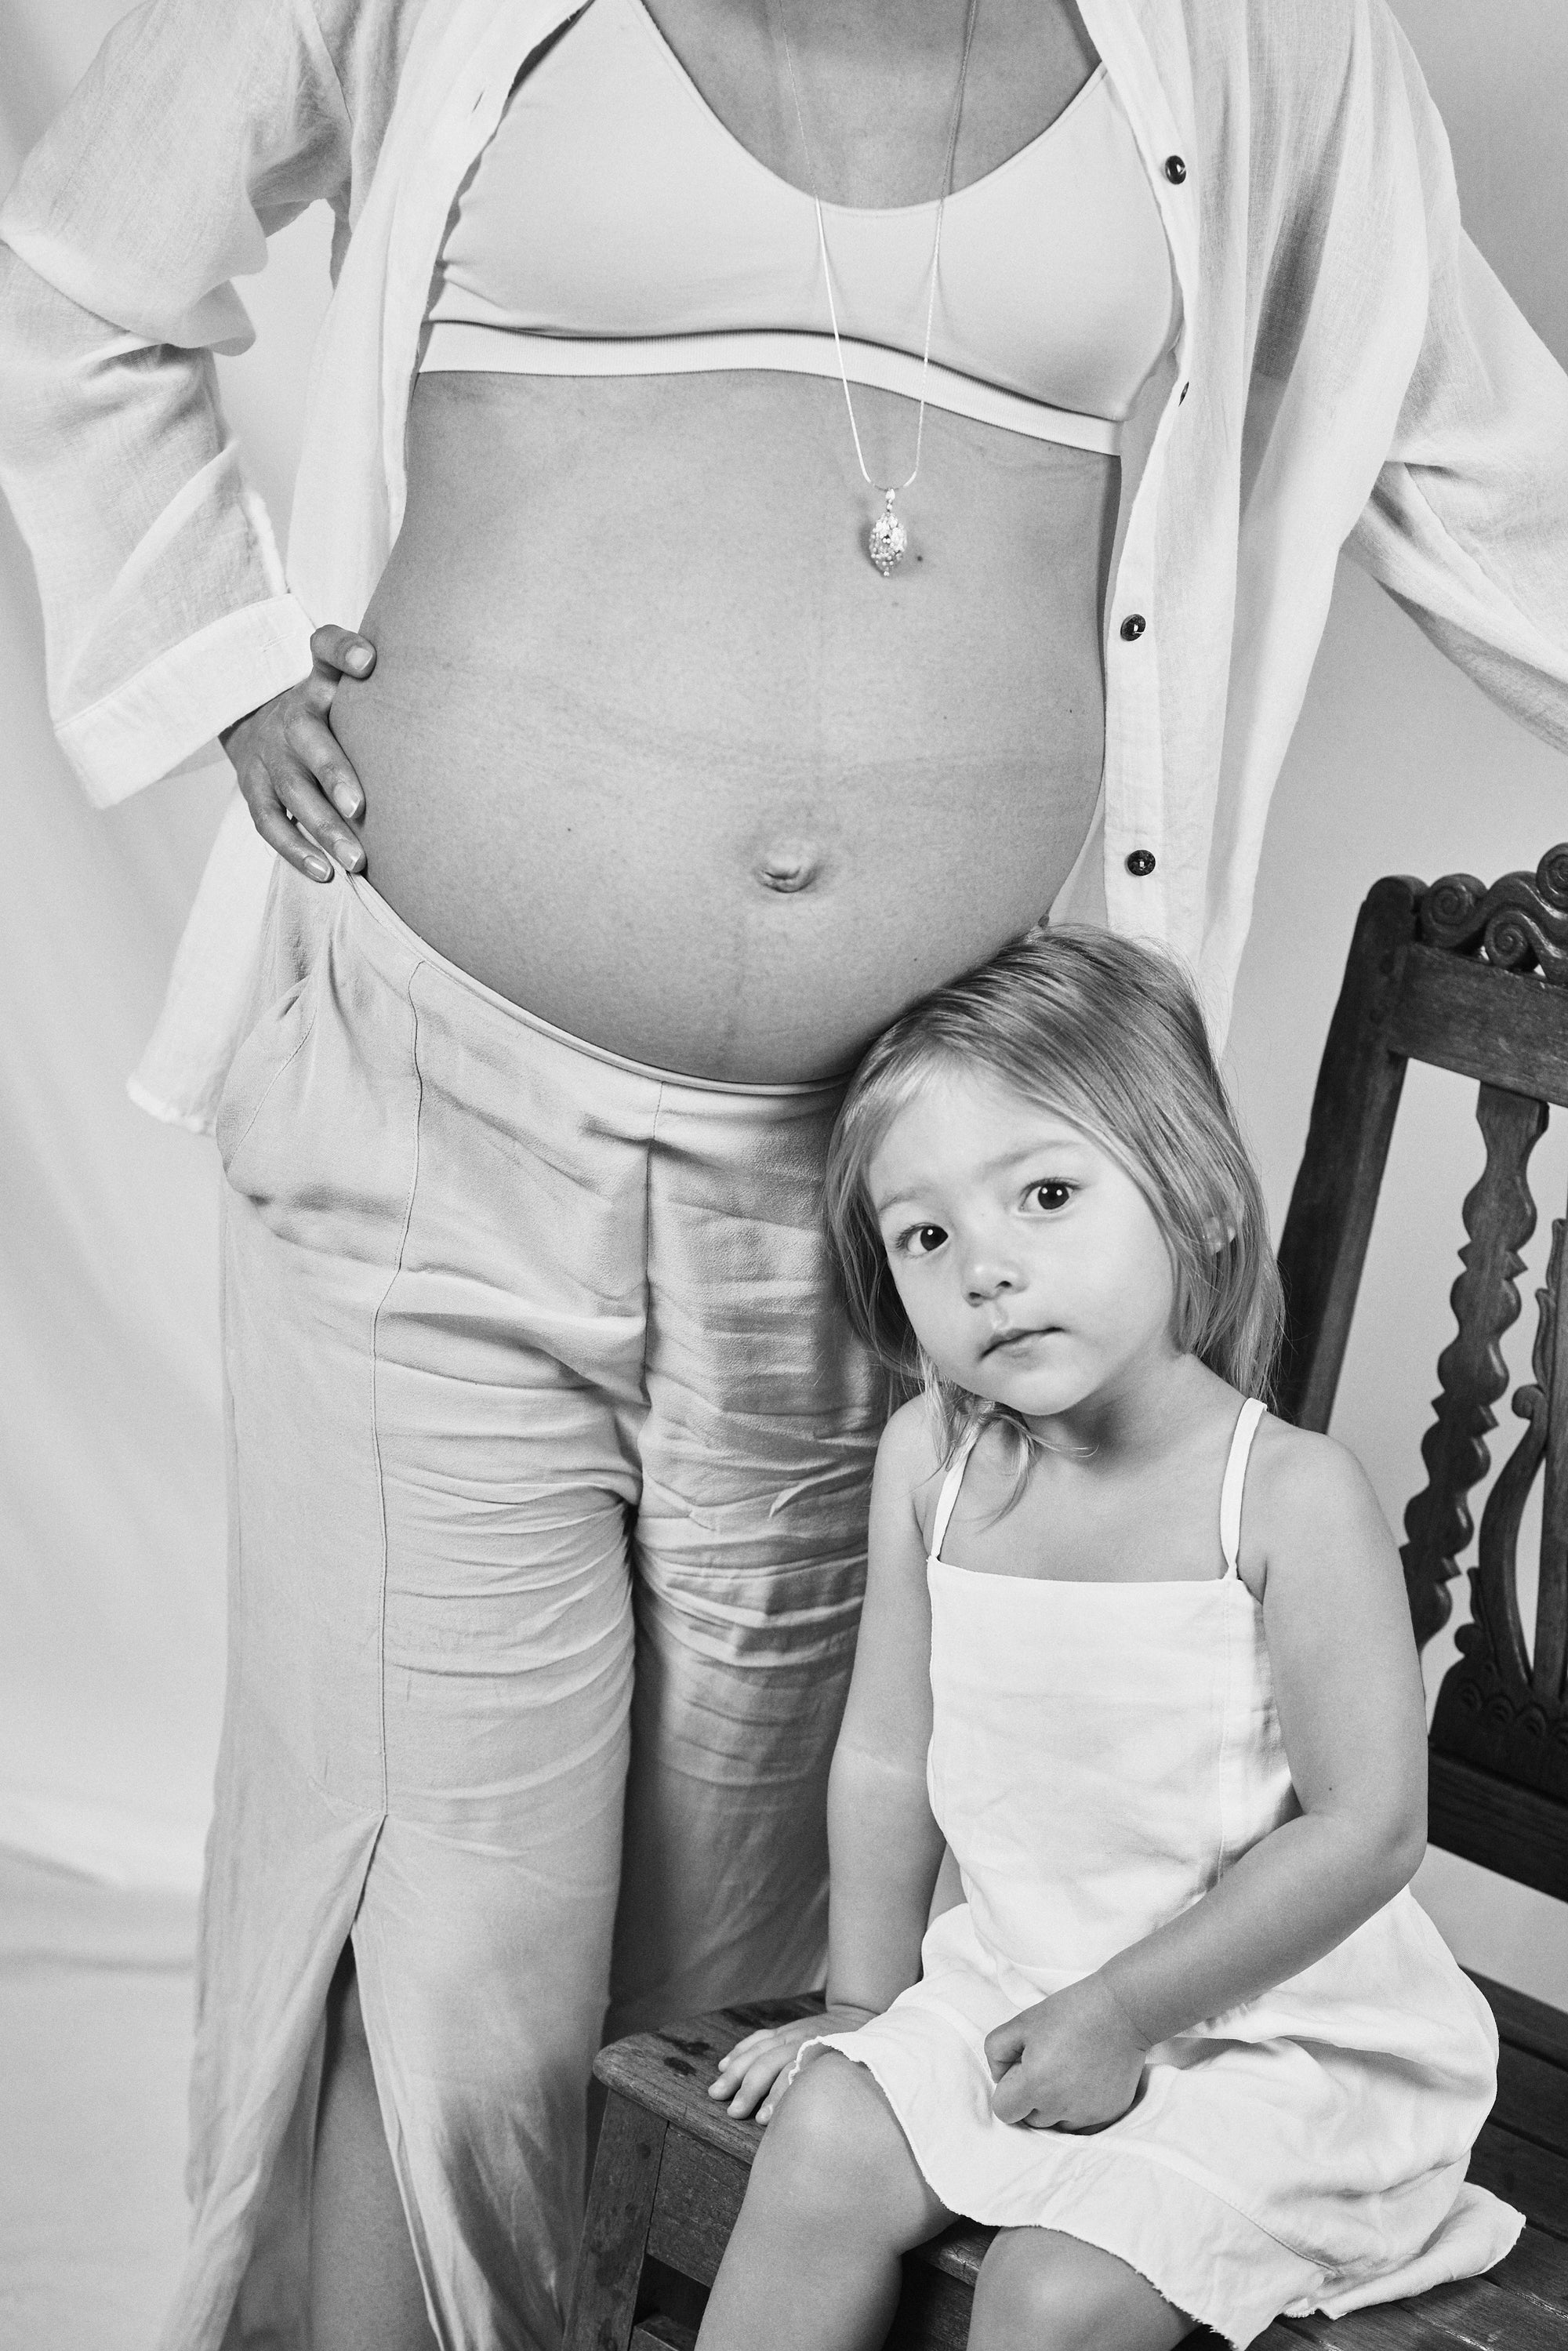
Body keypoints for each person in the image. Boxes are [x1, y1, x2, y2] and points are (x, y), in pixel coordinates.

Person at [1, 2, 1565, 2346]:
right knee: (450, 1947)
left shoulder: (1263, 39)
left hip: (907, 1236)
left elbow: (1499, 474)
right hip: (439, 1115)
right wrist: (209, 649)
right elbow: (71, 257)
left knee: (759, 1941)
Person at [699, 927, 1523, 2351]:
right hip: (1019, 1972)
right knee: (826, 2141)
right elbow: (892, 1756)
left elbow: (1370, 1831)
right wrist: (861, 1999)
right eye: (928, 1234)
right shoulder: (931, 1463)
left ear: (1192, 1200)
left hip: (1274, 2028)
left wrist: (1125, 2014)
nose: (988, 1270)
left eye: (1049, 1194)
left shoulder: (1284, 1498)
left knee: (1056, 2288)